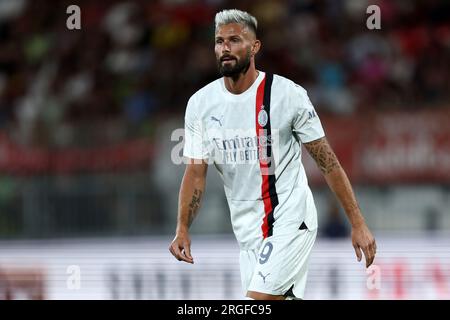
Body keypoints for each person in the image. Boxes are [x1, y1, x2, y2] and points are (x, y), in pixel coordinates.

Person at [169, 9, 376, 300]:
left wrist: (357, 223)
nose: (225, 47)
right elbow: (195, 173)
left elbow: (327, 162)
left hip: (291, 219)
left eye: (234, 40)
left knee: (257, 302)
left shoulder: (288, 96)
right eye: (219, 41)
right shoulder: (200, 105)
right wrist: (182, 228)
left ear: (254, 47)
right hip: (248, 233)